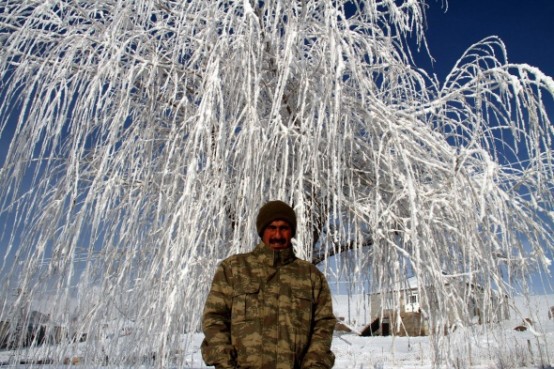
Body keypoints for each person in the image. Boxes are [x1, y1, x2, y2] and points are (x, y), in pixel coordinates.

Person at [201, 200, 336, 369]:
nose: (277, 235)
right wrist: (225, 363)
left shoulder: (310, 276)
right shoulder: (234, 269)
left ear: (291, 232)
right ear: (262, 231)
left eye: (284, 228)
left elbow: (323, 325)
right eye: (272, 228)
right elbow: (214, 319)